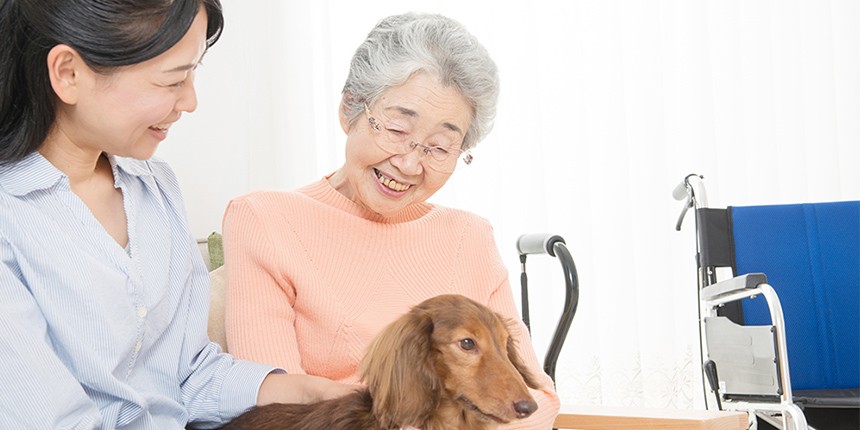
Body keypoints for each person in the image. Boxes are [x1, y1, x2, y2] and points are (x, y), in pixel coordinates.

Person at [0, 1, 354, 428]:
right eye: (173, 80)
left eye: (193, 73)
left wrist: (312, 393)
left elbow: (188, 376)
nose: (190, 101)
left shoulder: (154, 187)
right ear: (68, 73)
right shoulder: (11, 219)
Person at [223, 12, 560, 429]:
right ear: (349, 109)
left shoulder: (470, 236)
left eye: (440, 147)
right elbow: (277, 410)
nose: (409, 164)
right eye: (398, 129)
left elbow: (536, 397)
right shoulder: (265, 219)